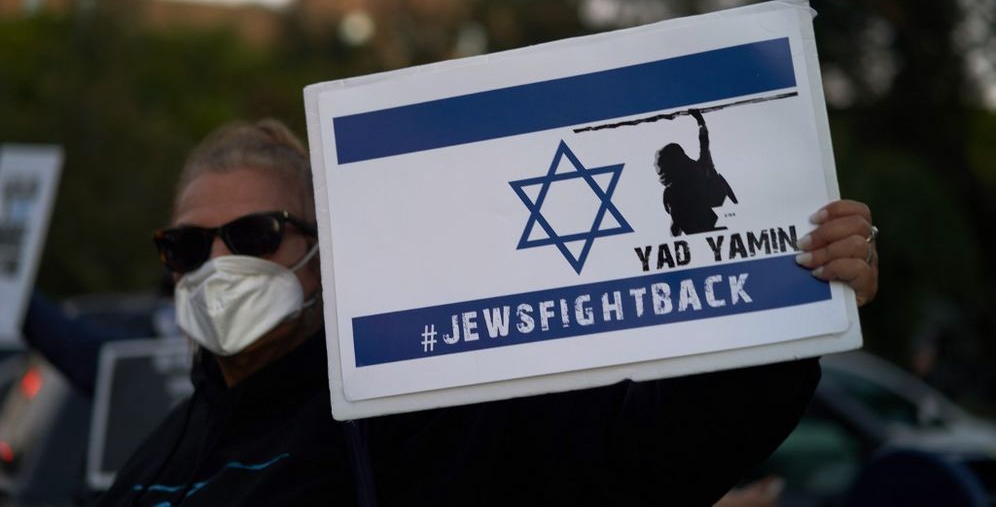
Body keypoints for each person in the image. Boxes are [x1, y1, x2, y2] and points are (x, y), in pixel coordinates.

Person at [96, 118, 880, 506]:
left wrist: (791, 300)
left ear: (325, 254)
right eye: (188, 245)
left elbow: (651, 446)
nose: (218, 265)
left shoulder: (413, 420)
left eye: (253, 235)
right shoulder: (152, 463)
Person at [655, 108, 738, 236]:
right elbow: (704, 142)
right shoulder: (701, 167)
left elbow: (675, 228)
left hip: (707, 228)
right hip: (720, 224)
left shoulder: (671, 194)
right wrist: (700, 121)